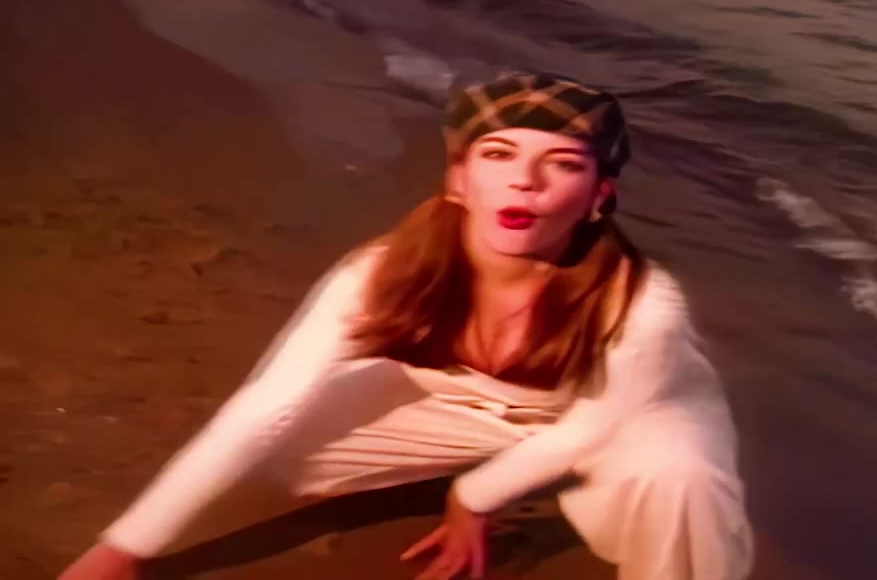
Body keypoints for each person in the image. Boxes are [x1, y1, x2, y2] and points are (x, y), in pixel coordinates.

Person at [59, 71, 754, 580]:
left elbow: (589, 428)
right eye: (499, 154)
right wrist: (123, 549)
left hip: (627, 417)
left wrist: (472, 498)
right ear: (458, 179)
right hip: (467, 407)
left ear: (599, 195)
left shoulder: (645, 300)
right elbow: (268, 404)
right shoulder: (381, 270)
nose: (526, 181)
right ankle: (522, 472)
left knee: (680, 483)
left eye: (563, 164)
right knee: (289, 456)